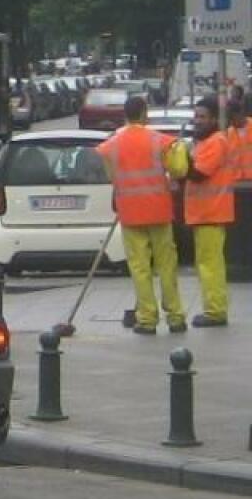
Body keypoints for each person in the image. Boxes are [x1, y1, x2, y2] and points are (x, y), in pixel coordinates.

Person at [96, 95, 186, 335]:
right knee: (166, 264)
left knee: (139, 267)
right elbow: (179, 169)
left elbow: (112, 177)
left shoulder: (111, 145)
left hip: (131, 213)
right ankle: (175, 316)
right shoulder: (159, 141)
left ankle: (146, 319)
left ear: (125, 114)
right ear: (144, 113)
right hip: (159, 210)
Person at [185, 95, 236, 327]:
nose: (197, 121)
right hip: (205, 214)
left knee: (210, 266)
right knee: (207, 264)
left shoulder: (216, 141)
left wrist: (179, 162)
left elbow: (199, 173)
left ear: (214, 119)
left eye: (202, 117)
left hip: (211, 213)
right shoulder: (205, 142)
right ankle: (213, 308)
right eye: (195, 116)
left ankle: (215, 312)